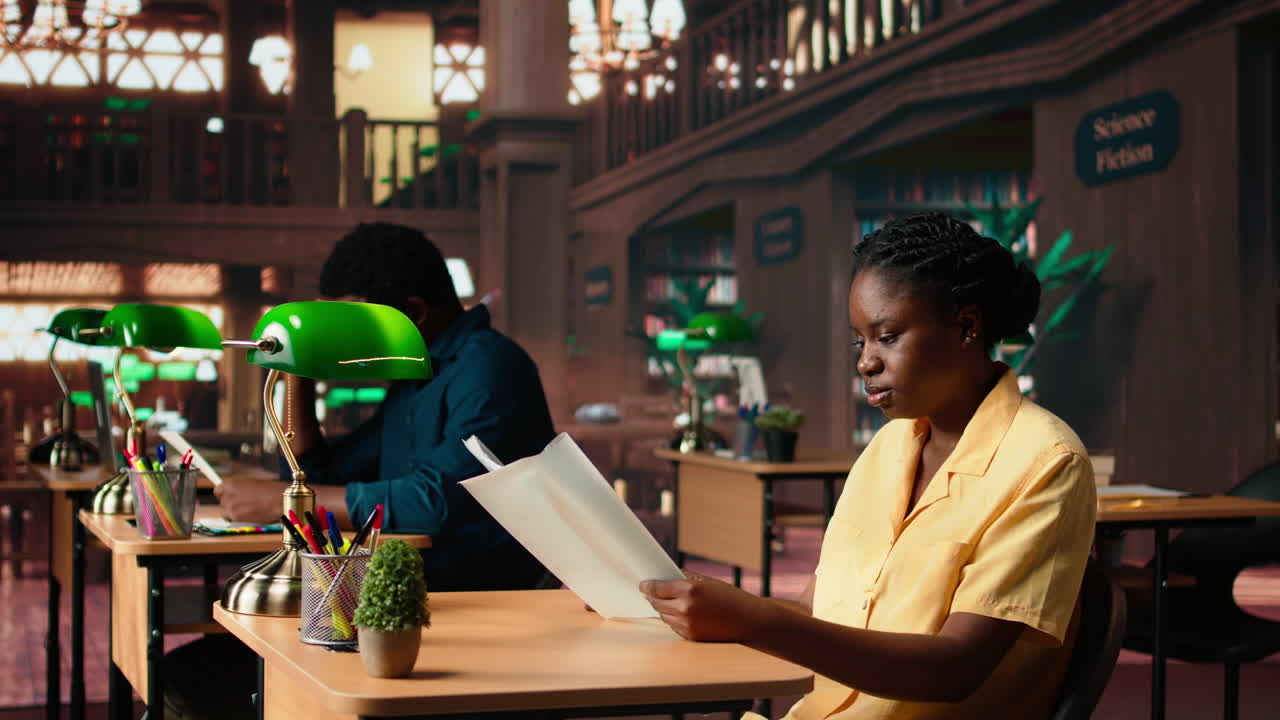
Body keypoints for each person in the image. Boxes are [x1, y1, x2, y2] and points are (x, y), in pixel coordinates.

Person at [640, 212, 1097, 719]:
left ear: (966, 327)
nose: (865, 362)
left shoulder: (1047, 461)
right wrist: (700, 604)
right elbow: (815, 612)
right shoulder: (890, 446)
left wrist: (754, 620)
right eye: (861, 341)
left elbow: (955, 669)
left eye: (888, 336)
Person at [168, 222, 557, 720]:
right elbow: (321, 469)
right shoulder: (415, 376)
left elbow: (434, 503)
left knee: (197, 689)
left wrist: (289, 504)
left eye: (357, 322)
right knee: (183, 677)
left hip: (471, 615)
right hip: (388, 604)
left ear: (414, 311)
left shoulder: (491, 368)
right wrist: (299, 371)